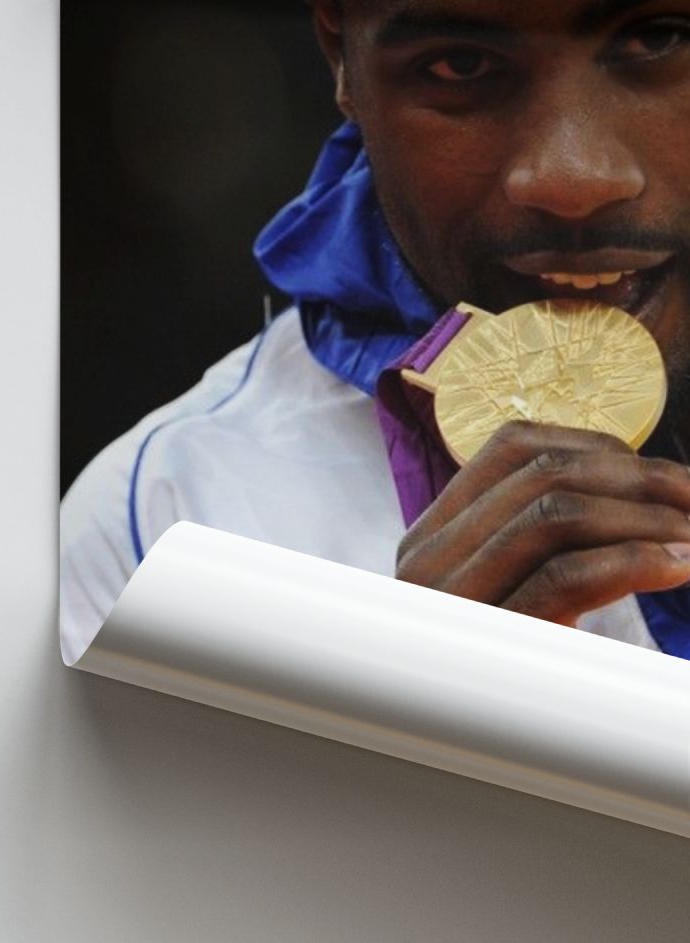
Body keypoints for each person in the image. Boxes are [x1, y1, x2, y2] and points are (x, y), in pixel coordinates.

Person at [60, 0, 690, 664]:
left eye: (660, 38)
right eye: (462, 63)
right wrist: (404, 728)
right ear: (341, 56)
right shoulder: (168, 530)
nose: (571, 179)